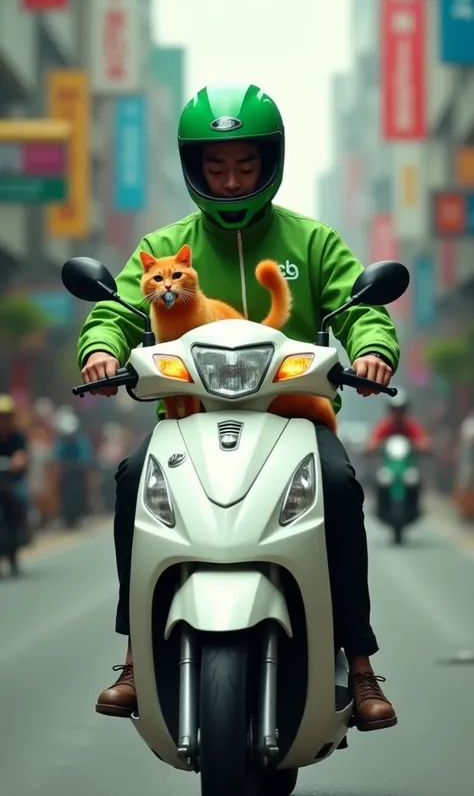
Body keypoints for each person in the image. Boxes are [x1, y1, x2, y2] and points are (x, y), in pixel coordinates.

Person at [78, 83, 400, 731]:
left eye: (245, 166)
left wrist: (371, 351)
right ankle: (136, 653)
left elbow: (361, 307)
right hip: (185, 423)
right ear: (194, 169)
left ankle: (360, 664)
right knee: (131, 478)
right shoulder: (164, 248)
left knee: (339, 488)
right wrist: (100, 349)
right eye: (216, 167)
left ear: (270, 163)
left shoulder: (312, 242)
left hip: (295, 420)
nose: (230, 180)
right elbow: (116, 309)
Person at [0, 394, 29, 576]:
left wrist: (17, 462)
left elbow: (21, 457)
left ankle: (20, 532)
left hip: (12, 483)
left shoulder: (17, 437)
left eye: (6, 417)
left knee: (19, 501)